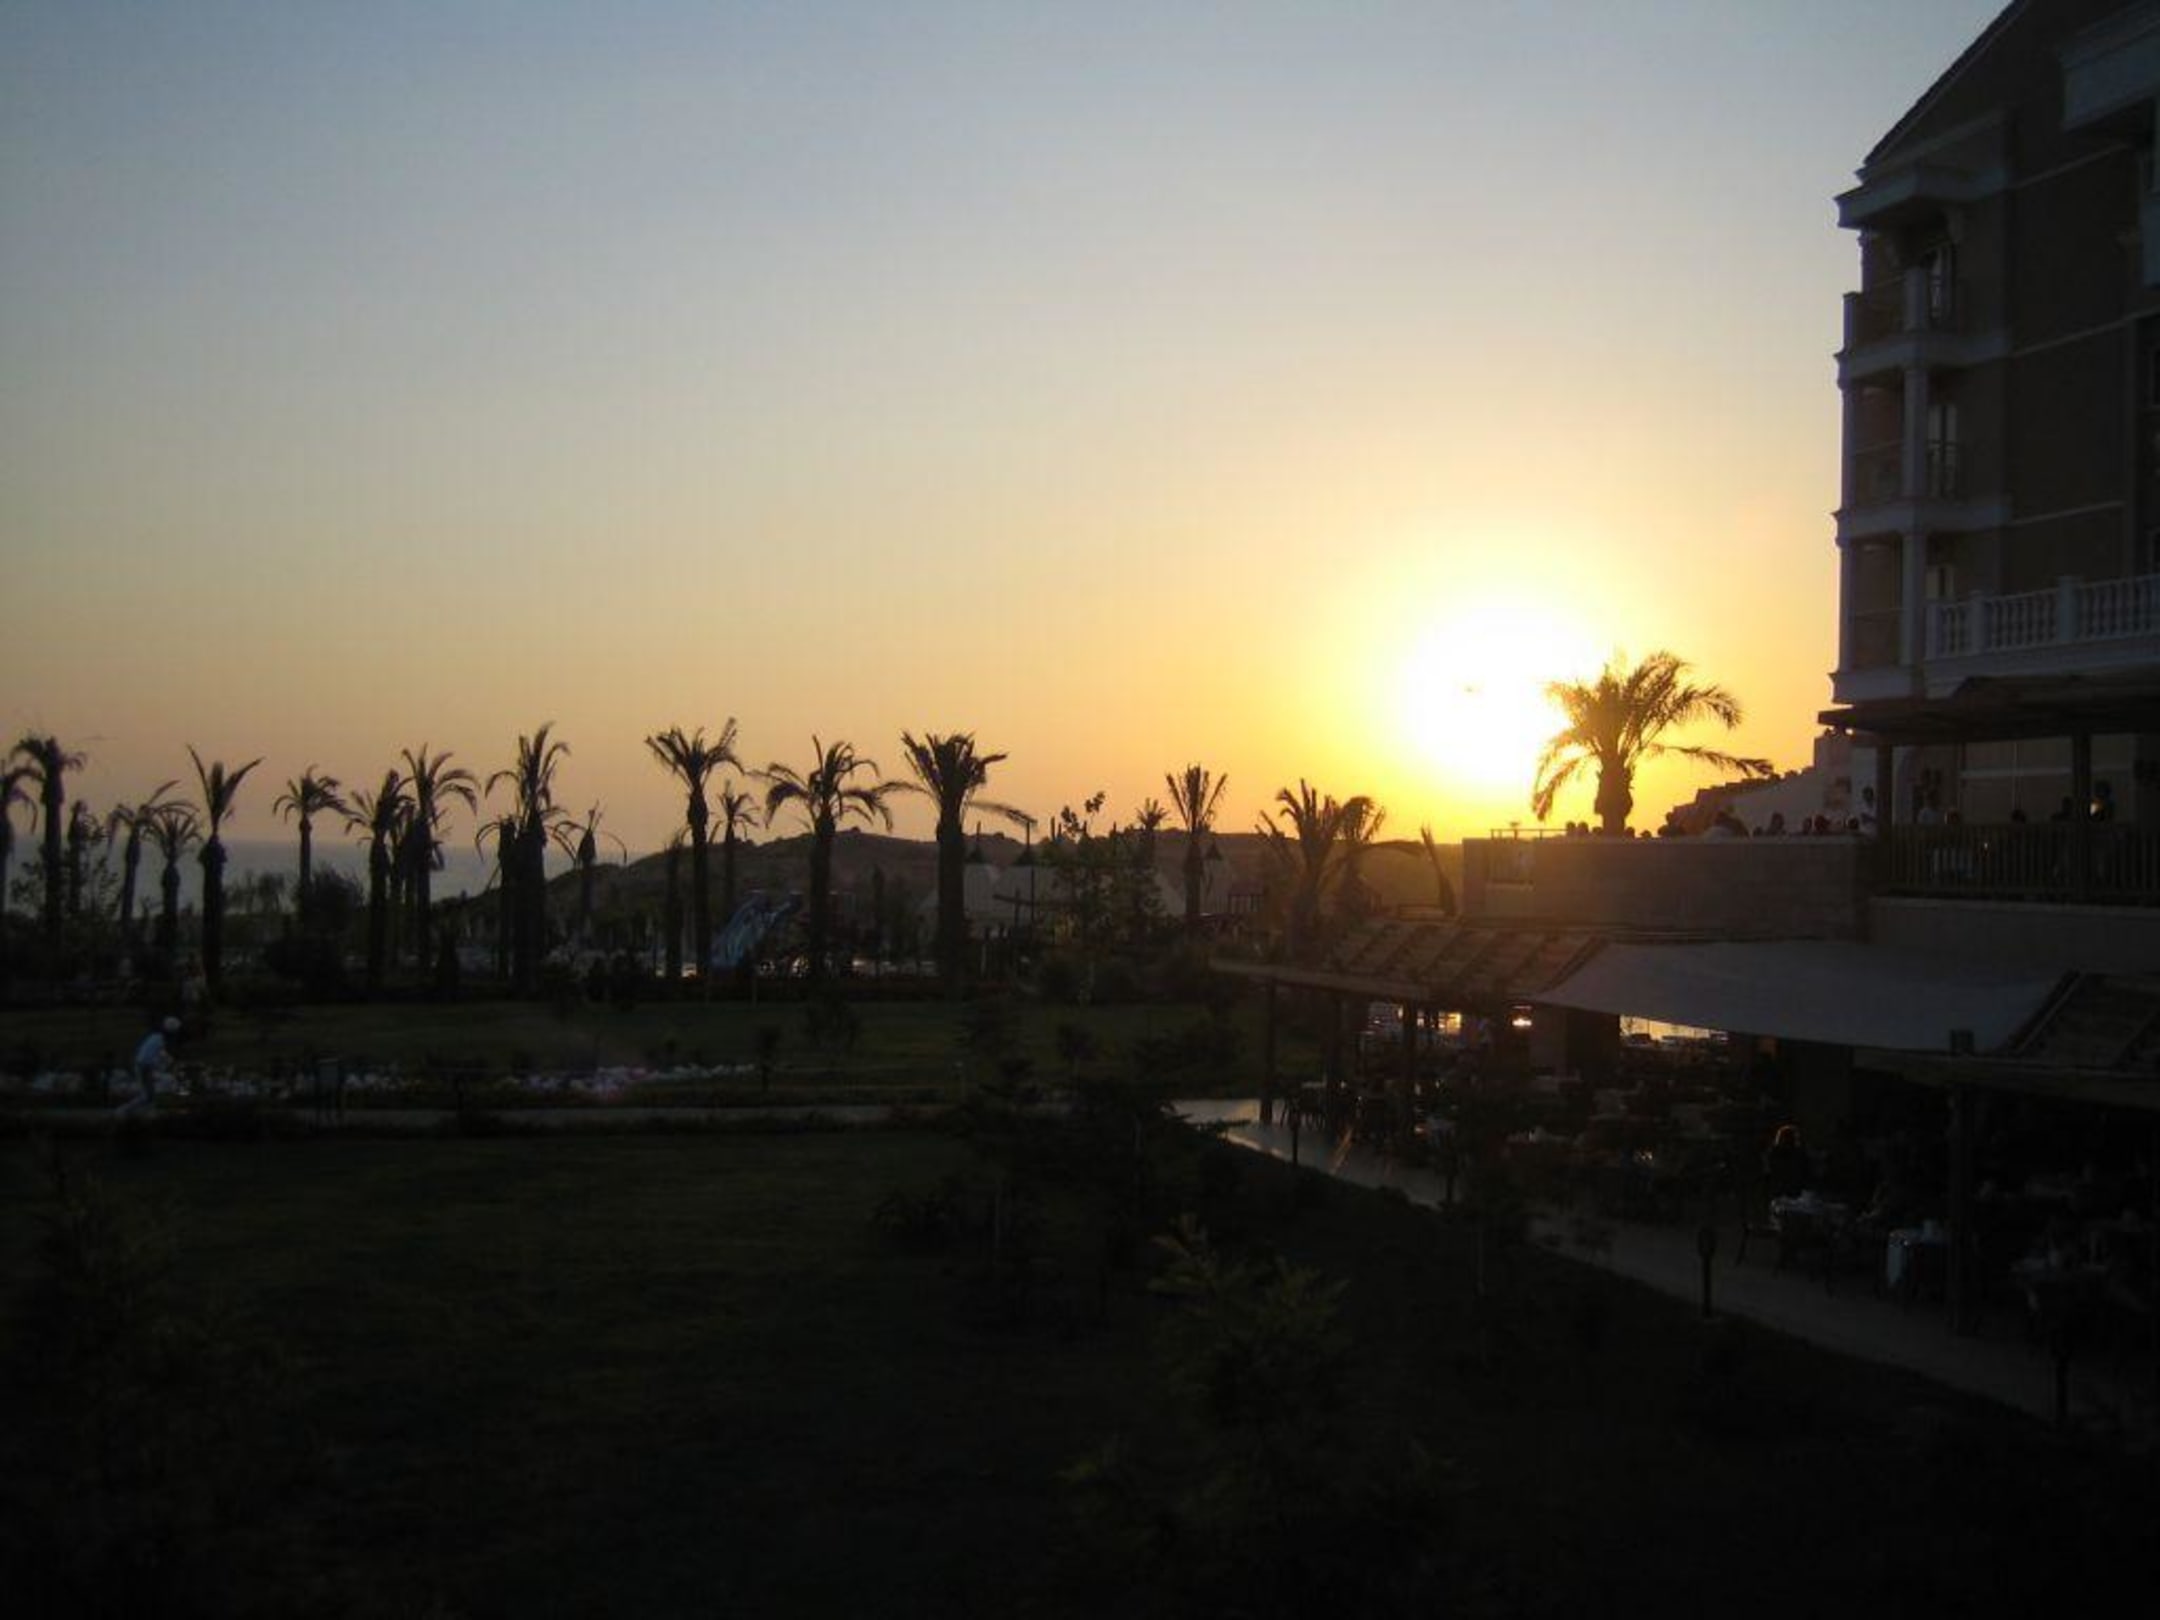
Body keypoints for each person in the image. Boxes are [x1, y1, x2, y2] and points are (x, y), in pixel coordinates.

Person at [129, 1016, 180, 1112]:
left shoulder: (156, 1038)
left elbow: (161, 1055)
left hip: (145, 1067)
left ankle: (147, 1112)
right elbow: (146, 1058)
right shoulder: (158, 1040)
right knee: (147, 1096)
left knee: (149, 1096)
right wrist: (162, 1065)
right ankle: (122, 1112)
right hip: (144, 1067)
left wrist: (167, 1061)